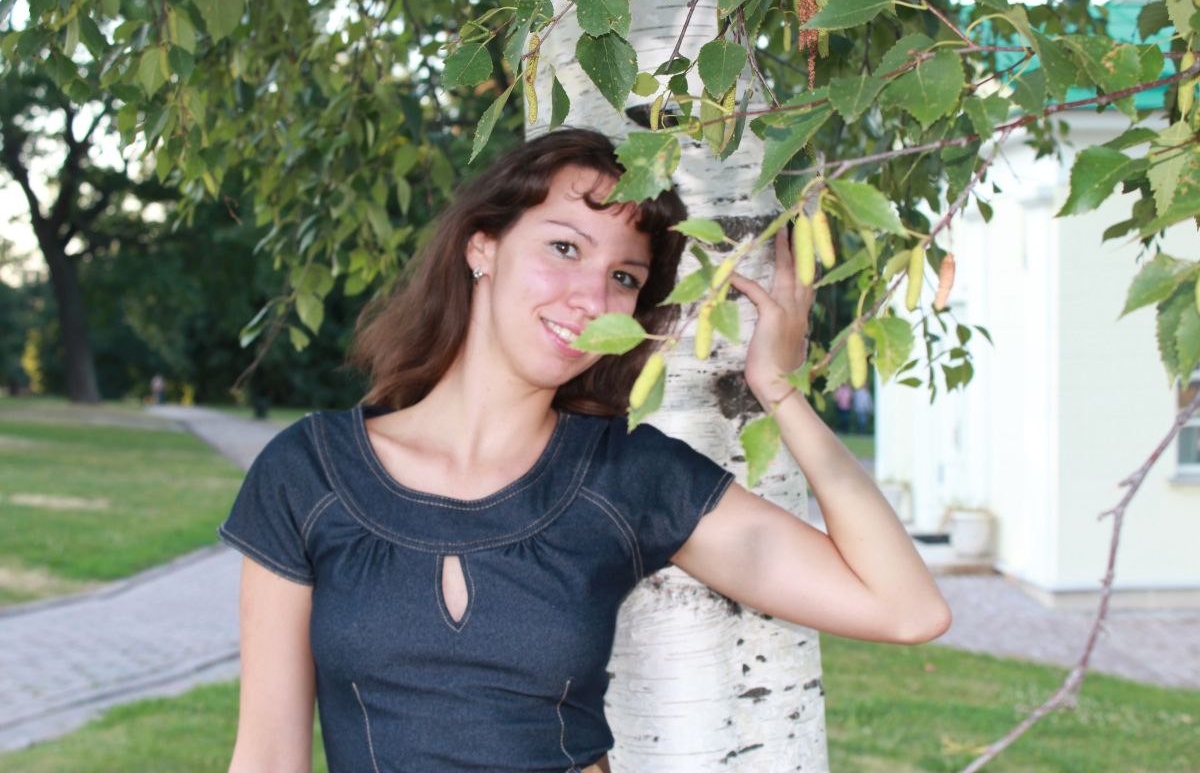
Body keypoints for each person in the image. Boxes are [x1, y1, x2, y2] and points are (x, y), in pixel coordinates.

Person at [218, 128, 950, 773]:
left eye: (623, 277)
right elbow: (267, 757)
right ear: (482, 246)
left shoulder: (628, 476)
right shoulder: (308, 474)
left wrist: (780, 390)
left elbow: (905, 609)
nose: (590, 298)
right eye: (564, 248)